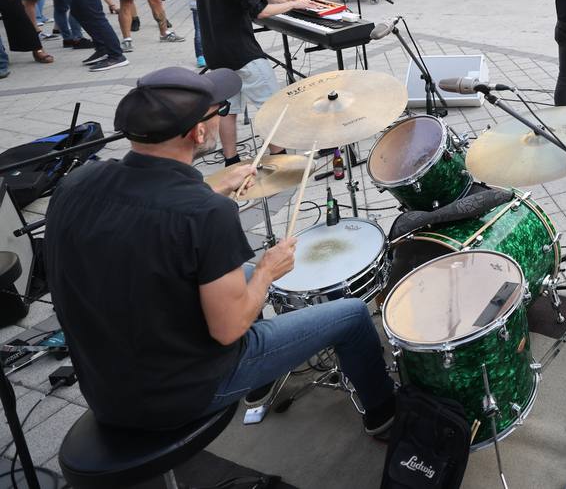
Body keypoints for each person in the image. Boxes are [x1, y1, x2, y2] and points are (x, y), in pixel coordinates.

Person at [44, 67, 397, 434]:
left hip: (108, 384)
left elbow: (149, 224)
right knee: (351, 314)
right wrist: (267, 272)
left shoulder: (78, 183)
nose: (222, 116)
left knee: (239, 274)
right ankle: (385, 416)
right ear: (198, 132)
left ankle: (261, 383)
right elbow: (228, 329)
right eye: (220, 110)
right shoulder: (206, 215)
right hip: (181, 393)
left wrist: (217, 189)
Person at [196, 0, 327, 163]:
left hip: (216, 51)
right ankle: (279, 156)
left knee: (229, 109)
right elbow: (258, 11)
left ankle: (231, 160)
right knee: (272, 107)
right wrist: (295, 4)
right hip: (242, 53)